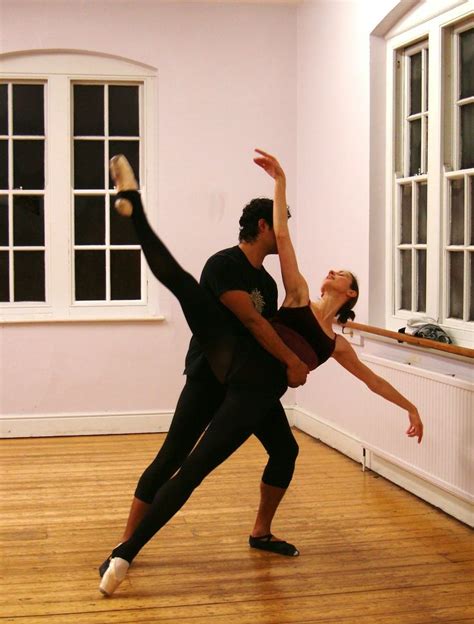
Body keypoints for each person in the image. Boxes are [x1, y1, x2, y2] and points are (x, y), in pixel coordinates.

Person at [99, 151, 423, 597]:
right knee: (182, 289)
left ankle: (258, 533)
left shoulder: (332, 340)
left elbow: (372, 379)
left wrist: (410, 406)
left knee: (269, 453)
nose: (330, 271)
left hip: (256, 390)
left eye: (341, 274)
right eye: (332, 269)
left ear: (349, 294)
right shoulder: (295, 293)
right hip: (228, 367)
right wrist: (281, 179)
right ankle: (125, 550)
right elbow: (279, 253)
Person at [99, 188, 310, 582]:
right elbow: (251, 322)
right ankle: (124, 546)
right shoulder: (224, 264)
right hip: (209, 378)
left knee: (285, 449)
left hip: (247, 386)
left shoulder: (267, 282)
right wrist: (292, 360)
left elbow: (266, 331)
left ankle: (261, 532)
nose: (284, 236)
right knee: (171, 458)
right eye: (280, 227)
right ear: (263, 225)